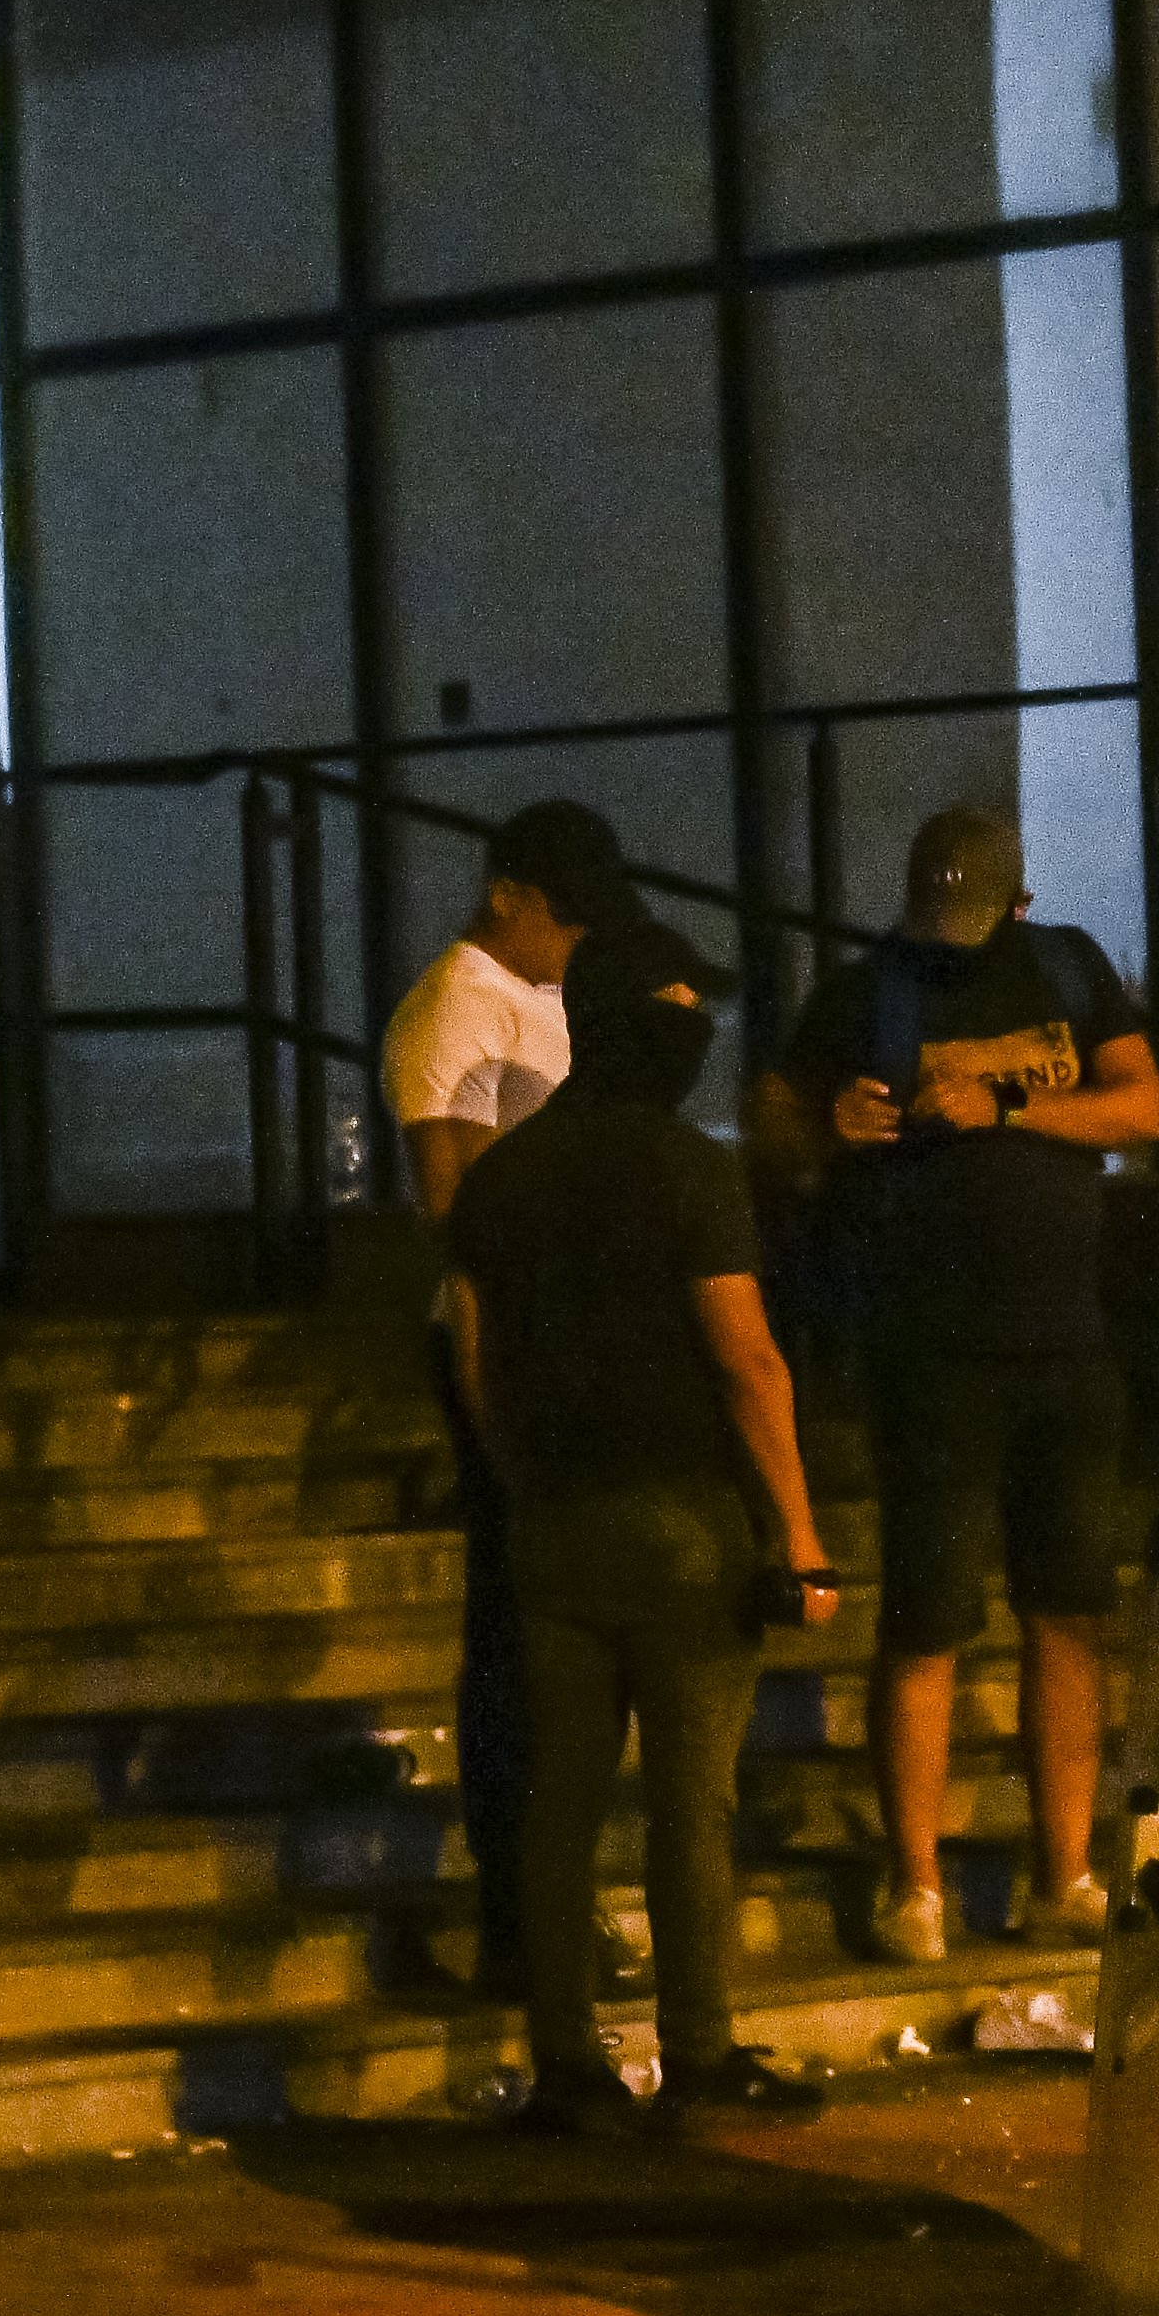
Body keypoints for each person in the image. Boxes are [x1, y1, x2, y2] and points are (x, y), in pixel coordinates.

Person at [440, 913, 842, 2133]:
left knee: (560, 1806)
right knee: (690, 1805)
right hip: (684, 1521)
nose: (698, 1028)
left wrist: (520, 1480)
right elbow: (746, 1359)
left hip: (553, 1524)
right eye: (681, 1007)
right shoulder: (689, 1170)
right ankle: (699, 2050)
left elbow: (474, 1355)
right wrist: (800, 1535)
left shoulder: (502, 1178)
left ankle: (565, 2062)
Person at [757, 808, 1159, 1962]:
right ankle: (918, 1887)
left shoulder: (1068, 969)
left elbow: (1144, 1107)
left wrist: (1013, 1105)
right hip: (929, 1354)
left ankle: (1066, 1874)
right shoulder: (865, 991)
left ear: (1019, 905)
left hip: (1066, 1345)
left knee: (1070, 1612)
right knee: (926, 1618)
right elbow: (773, 1129)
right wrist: (828, 1127)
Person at [383, 797, 634, 2013]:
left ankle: (544, 1904)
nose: (573, 944)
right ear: (507, 896)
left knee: (549, 1632)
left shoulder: (528, 998)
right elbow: (453, 1201)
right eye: (561, 920)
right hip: (509, 1341)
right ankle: (521, 1912)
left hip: (562, 1340)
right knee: (519, 1636)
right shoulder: (460, 1004)